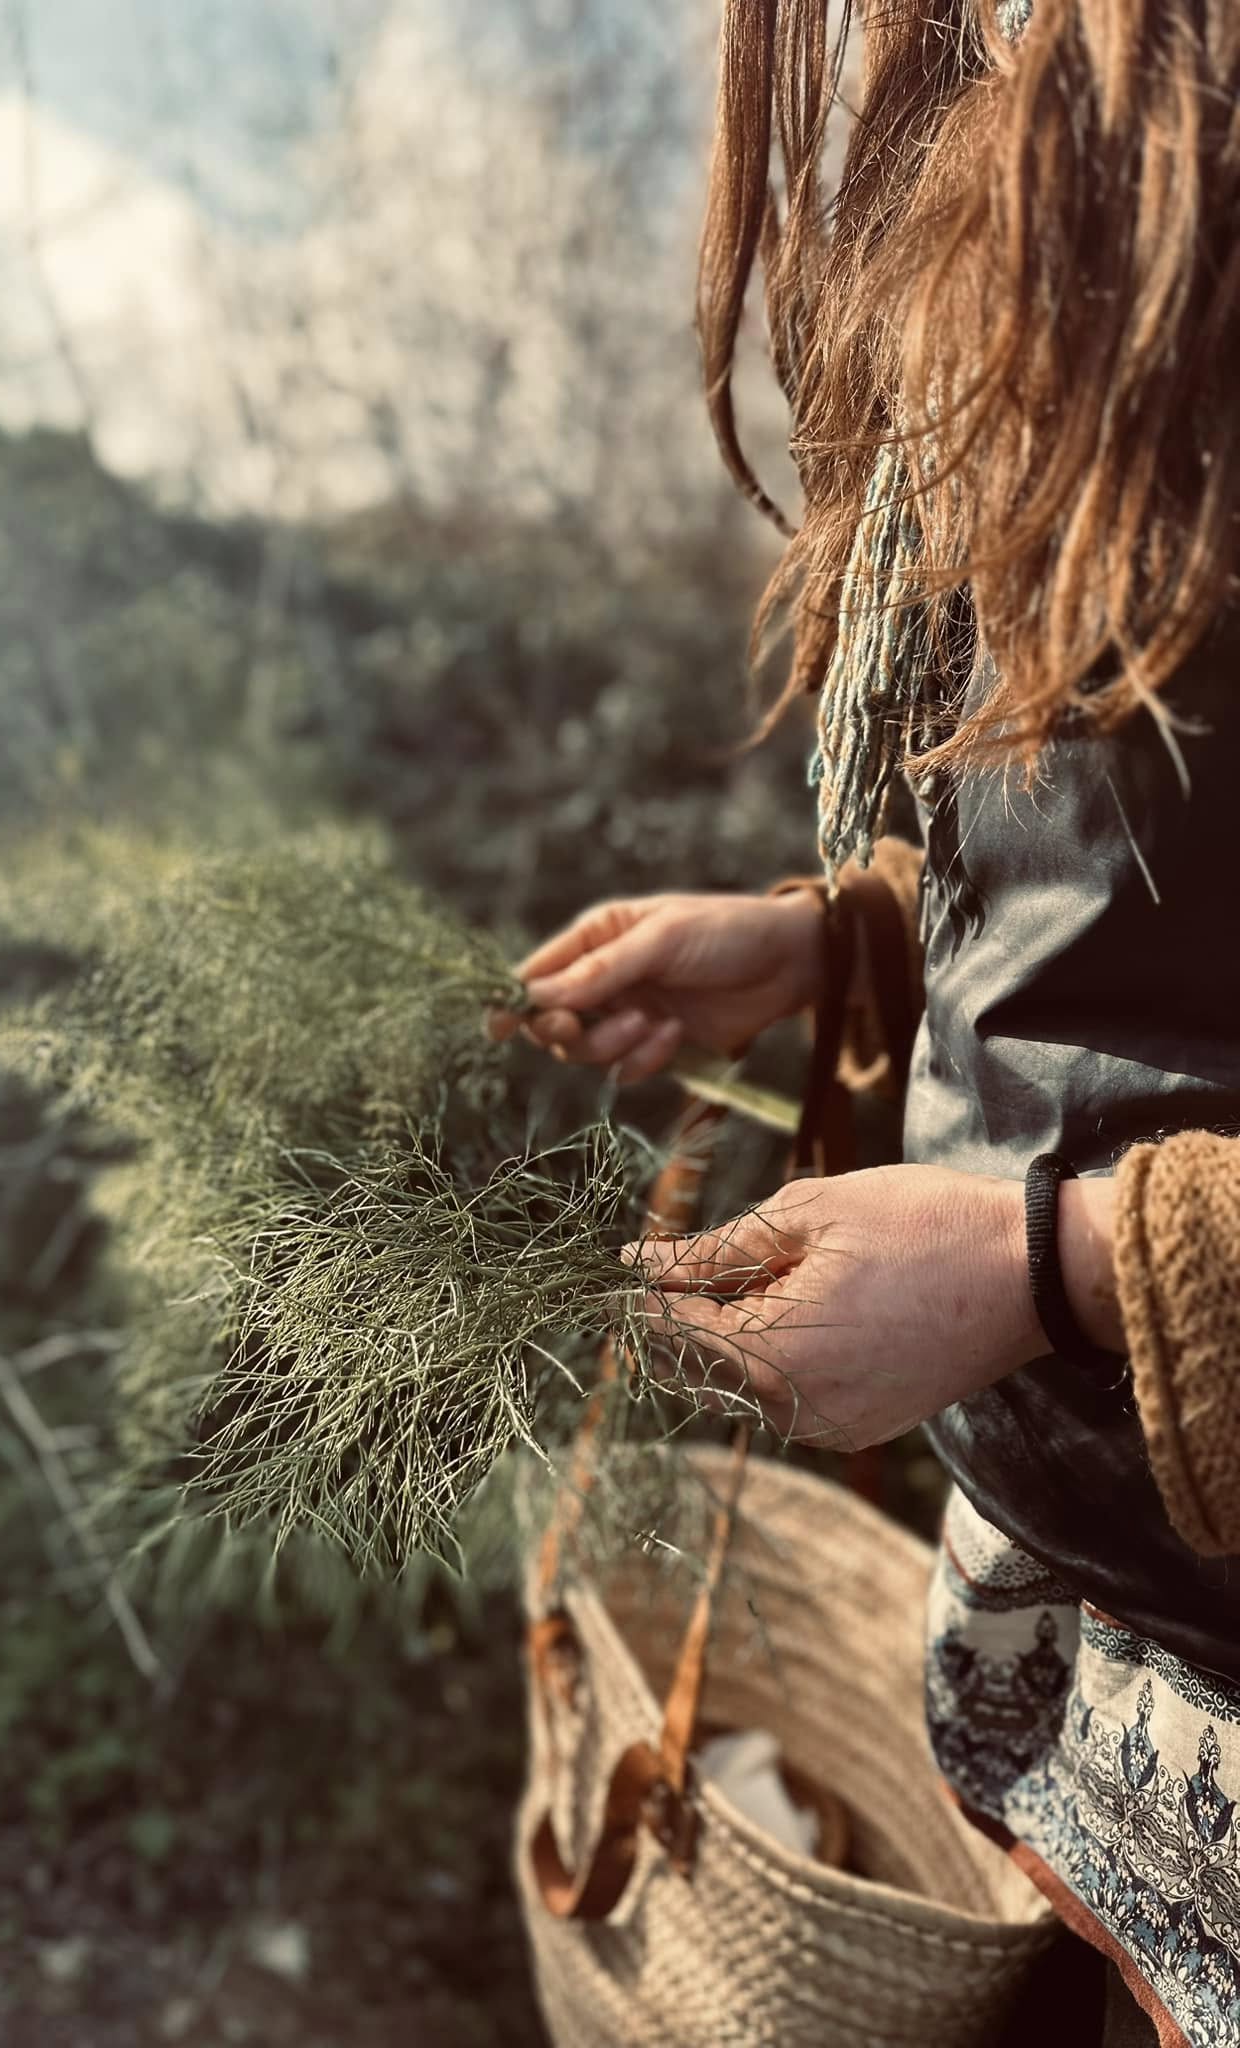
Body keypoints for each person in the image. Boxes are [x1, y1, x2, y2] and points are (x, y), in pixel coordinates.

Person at [492, 3, 1240, 2043]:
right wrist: (843, 943)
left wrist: (1055, 1257)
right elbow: (1150, 884)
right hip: (1071, 1678)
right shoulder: (1043, 142)